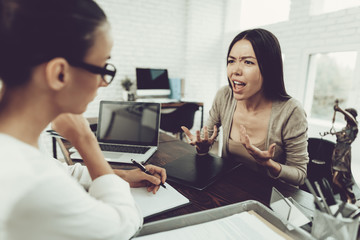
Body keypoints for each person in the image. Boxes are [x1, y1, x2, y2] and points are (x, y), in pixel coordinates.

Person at [0, 0, 166, 239]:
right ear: (60, 73)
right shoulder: (28, 180)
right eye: (103, 68)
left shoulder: (17, 139)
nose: (103, 82)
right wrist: (85, 140)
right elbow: (122, 224)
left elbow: (59, 172)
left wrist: (121, 175)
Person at [182, 28, 309, 186]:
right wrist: (202, 148)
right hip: (228, 191)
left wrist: (270, 165)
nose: (235, 70)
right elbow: (204, 140)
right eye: (231, 61)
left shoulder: (291, 111)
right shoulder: (224, 96)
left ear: (268, 68)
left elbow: (300, 174)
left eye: (248, 62)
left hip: (269, 199)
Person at [327, 100, 358, 203]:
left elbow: (351, 119)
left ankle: (350, 196)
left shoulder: (354, 127)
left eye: (346, 115)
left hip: (344, 155)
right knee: (338, 179)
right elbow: (341, 136)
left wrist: (339, 109)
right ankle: (345, 198)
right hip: (338, 154)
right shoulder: (346, 128)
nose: (345, 118)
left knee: (337, 180)